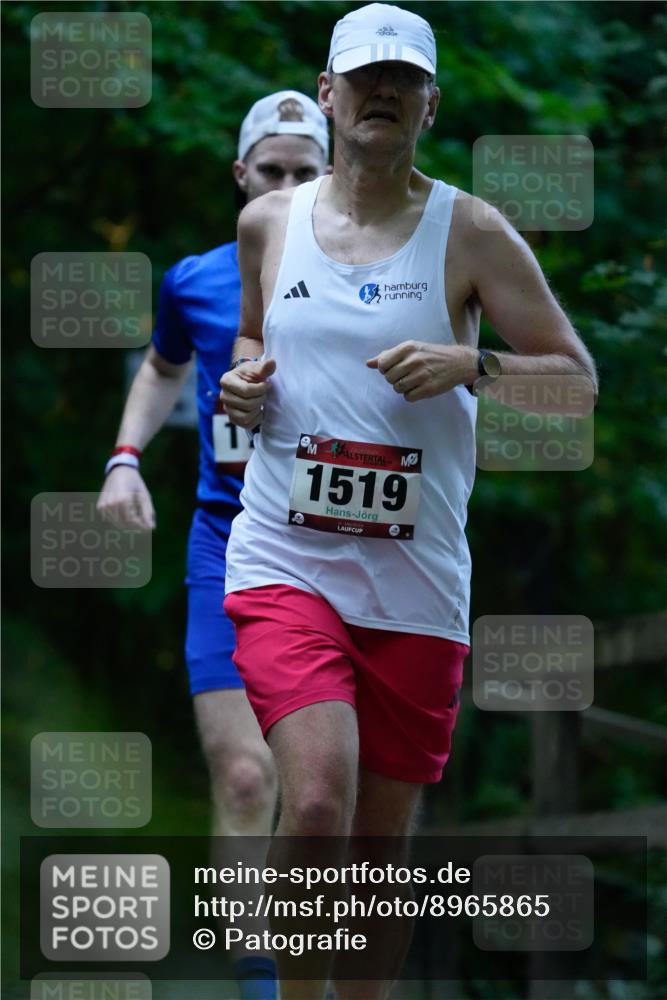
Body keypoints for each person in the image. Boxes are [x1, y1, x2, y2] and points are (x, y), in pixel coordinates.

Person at [220, 4, 598, 996]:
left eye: (403, 78)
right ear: (331, 93)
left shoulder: (470, 230)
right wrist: (242, 379)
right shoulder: (269, 222)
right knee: (313, 803)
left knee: (379, 853)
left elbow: (575, 380)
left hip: (415, 584)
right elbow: (252, 340)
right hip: (285, 557)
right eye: (365, 77)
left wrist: (472, 363)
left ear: (429, 102)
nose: (382, 93)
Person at [97, 90, 329, 1000]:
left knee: (324, 788)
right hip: (225, 547)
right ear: (240, 177)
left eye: (305, 174)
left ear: (333, 177)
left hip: (338, 556)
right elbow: (162, 368)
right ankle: (257, 986)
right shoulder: (193, 279)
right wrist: (124, 459)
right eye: (270, 171)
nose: (285, 187)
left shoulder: (370, 283)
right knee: (242, 774)